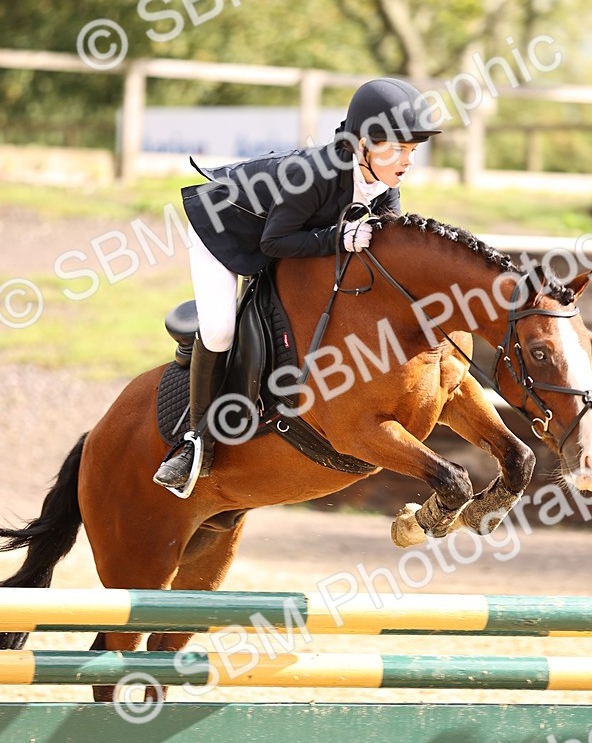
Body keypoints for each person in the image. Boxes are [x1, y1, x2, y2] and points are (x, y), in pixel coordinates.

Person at [153, 76, 442, 494]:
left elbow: (386, 242)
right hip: (225, 231)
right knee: (220, 328)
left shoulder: (383, 182)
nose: (407, 161)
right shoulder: (313, 174)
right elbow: (273, 241)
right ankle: (195, 442)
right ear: (362, 144)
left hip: (285, 235)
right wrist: (338, 238)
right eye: (397, 149)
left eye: (412, 150)